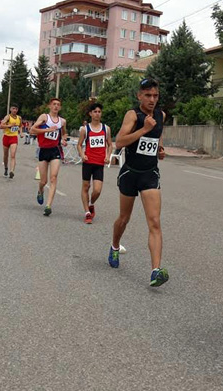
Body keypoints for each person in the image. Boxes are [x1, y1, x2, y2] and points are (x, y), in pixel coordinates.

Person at [108, 78, 168, 287]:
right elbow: (120, 142)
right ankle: (115, 246)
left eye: (155, 95)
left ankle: (155, 271)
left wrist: (160, 150)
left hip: (150, 174)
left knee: (154, 222)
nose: (152, 99)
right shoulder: (133, 115)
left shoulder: (161, 115)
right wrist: (143, 129)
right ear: (139, 96)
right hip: (130, 173)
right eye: (148, 95)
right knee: (124, 218)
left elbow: (157, 139)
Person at [30, 98, 67, 216]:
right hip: (43, 150)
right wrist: (48, 129)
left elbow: (64, 133)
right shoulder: (44, 117)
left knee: (53, 178)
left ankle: (48, 205)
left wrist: (63, 139)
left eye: (58, 105)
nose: (56, 106)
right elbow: (32, 130)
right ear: (50, 106)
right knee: (43, 180)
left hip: (55, 150)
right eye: (54, 104)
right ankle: (40, 190)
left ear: (60, 108)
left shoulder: (62, 121)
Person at [77, 103, 112, 224]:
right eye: (95, 111)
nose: (97, 113)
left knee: (97, 190)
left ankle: (91, 204)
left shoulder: (106, 129)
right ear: (90, 114)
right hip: (88, 162)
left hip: (99, 163)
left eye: (99, 111)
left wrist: (108, 156)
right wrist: (82, 155)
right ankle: (87, 213)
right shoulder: (84, 129)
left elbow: (110, 144)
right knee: (85, 187)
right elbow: (79, 144)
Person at [0, 105, 22, 179]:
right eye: (13, 109)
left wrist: (21, 133)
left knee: (13, 155)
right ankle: (6, 168)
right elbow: (1, 126)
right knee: (6, 155)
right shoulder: (7, 117)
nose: (14, 110)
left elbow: (21, 125)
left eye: (16, 109)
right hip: (6, 137)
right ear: (10, 109)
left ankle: (12, 171)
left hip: (14, 137)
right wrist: (9, 125)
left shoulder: (19, 118)